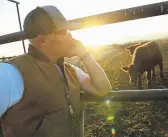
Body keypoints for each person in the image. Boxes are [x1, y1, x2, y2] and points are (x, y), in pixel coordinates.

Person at [0, 5, 112, 137]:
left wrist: (85, 55)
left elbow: (103, 89)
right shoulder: (10, 73)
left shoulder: (70, 70)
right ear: (43, 40)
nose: (71, 37)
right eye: (64, 32)